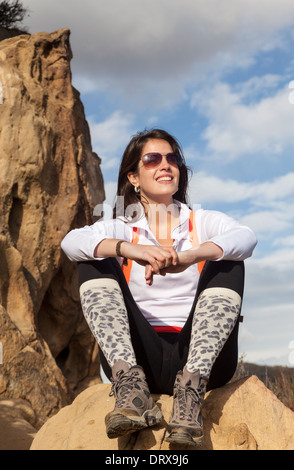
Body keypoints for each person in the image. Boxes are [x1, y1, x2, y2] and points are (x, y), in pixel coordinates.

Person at [61, 129, 257, 447]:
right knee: (94, 255)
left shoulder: (201, 221)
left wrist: (190, 255)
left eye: (173, 158)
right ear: (133, 177)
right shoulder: (121, 227)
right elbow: (71, 243)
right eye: (152, 159)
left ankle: (190, 395)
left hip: (202, 359)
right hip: (140, 359)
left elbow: (246, 237)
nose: (166, 165)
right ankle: (130, 387)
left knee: (228, 256)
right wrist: (130, 249)